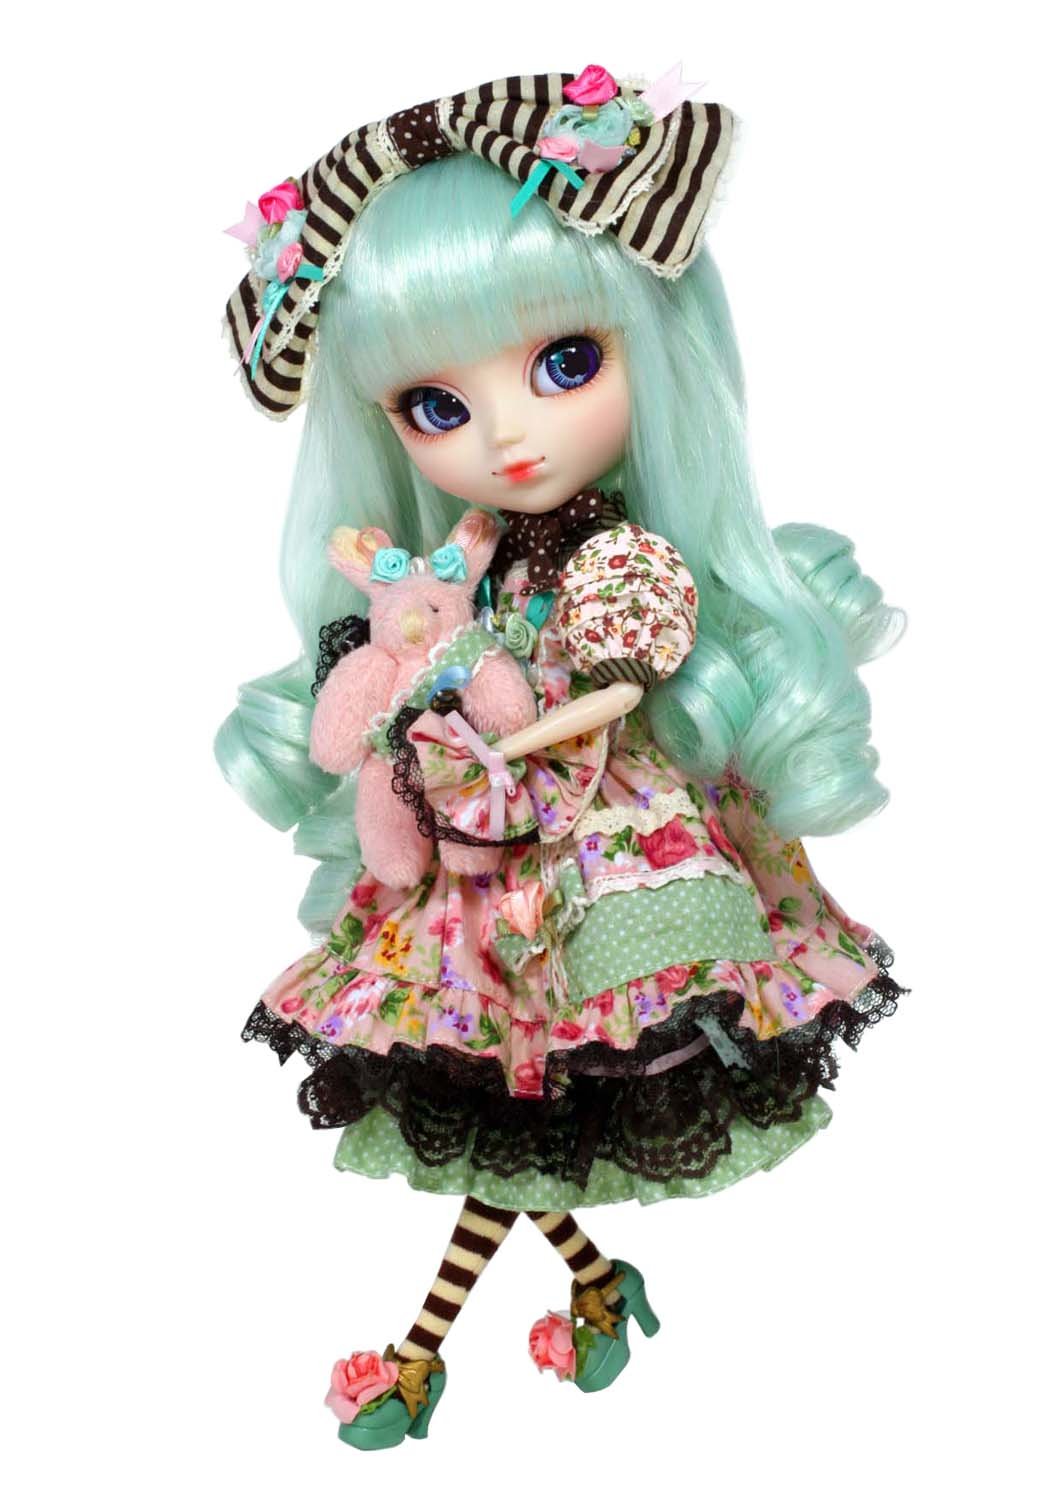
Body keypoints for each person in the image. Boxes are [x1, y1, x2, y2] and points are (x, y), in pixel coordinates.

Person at [218, 67, 905, 1450]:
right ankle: (586, 1292)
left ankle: (425, 1348)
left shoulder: (628, 558)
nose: (508, 434)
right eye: (433, 403)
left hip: (606, 848)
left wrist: (511, 736)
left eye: (565, 363)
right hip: (482, 861)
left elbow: (621, 690)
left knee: (528, 1110)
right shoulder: (458, 564)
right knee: (518, 1112)